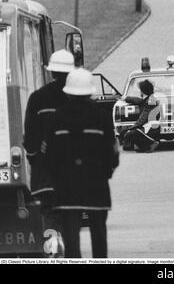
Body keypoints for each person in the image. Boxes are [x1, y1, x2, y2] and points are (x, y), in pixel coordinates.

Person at [43, 68, 120, 258]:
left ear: (68, 93)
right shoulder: (102, 116)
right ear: (90, 91)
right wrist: (106, 173)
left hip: (67, 187)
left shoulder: (56, 118)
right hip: (96, 185)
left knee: (71, 238)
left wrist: (57, 178)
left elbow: (49, 156)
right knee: (99, 236)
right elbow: (113, 152)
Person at [23, 50, 76, 255]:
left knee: (49, 213)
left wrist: (35, 159)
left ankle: (52, 248)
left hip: (45, 174)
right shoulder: (76, 99)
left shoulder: (37, 98)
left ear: (52, 72)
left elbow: (30, 139)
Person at [121, 80, 160, 153]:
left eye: (140, 90)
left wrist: (131, 128)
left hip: (151, 129)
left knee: (128, 134)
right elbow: (138, 101)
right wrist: (126, 98)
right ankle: (143, 145)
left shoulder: (150, 101)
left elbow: (143, 119)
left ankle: (151, 143)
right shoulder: (149, 98)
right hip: (150, 128)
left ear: (143, 91)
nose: (140, 91)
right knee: (128, 136)